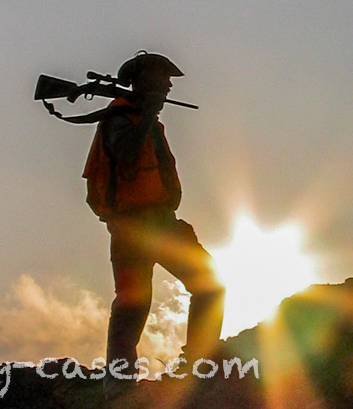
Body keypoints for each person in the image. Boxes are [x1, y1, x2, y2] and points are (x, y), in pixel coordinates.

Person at [81, 52, 225, 400]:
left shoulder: (141, 119)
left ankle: (197, 362)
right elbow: (126, 153)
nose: (169, 86)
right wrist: (146, 113)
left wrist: (147, 114)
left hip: (160, 223)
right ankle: (120, 386)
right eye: (164, 79)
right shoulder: (119, 119)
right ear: (145, 81)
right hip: (134, 228)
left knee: (207, 286)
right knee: (133, 304)